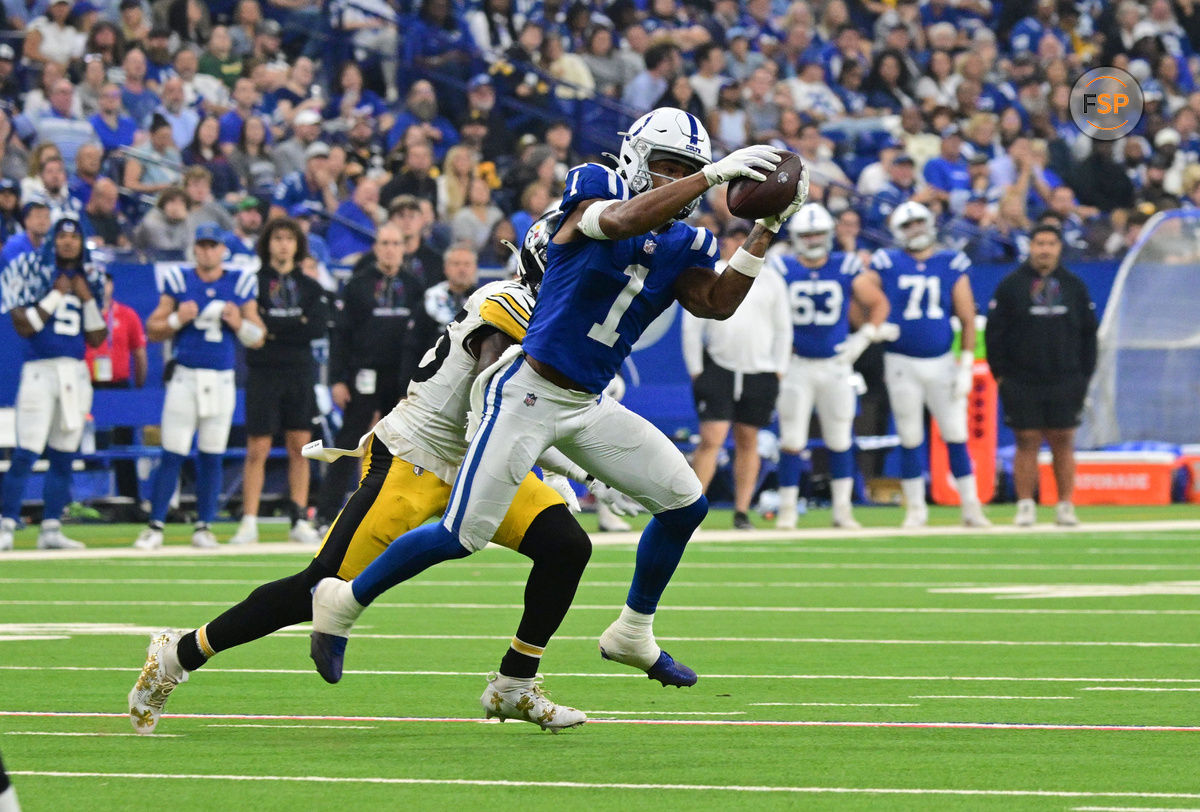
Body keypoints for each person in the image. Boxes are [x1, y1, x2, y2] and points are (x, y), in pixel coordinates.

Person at [309, 108, 807, 687]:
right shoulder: (594, 185)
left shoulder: (685, 240)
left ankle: (632, 630)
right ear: (638, 160)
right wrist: (712, 175)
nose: (678, 179)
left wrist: (764, 230)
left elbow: (716, 302)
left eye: (687, 169)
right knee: (461, 535)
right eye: (668, 167)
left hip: (588, 403)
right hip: (525, 391)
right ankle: (343, 602)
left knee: (684, 503)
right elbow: (616, 223)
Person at [129, 219, 631, 733]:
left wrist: (585, 467)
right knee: (318, 588)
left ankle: (514, 684)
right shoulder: (509, 304)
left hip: (480, 455)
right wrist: (576, 469)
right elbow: (494, 402)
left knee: (567, 546)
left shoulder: (559, 321)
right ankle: (178, 653)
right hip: (419, 455)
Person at [132, 223, 265, 551]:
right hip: (185, 377)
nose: (207, 251)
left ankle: (204, 526)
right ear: (195, 248)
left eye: (213, 246)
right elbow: (154, 328)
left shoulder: (239, 283)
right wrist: (178, 319)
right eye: (202, 245)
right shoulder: (179, 281)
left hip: (220, 380)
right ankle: (155, 526)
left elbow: (259, 336)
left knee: (212, 454)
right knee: (172, 452)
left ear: (223, 250)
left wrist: (239, 324)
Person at [862, 201, 991, 528]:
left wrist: (965, 364)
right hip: (901, 360)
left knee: (955, 433)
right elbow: (859, 291)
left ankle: (971, 507)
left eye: (920, 222)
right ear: (897, 231)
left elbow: (966, 315)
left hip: (942, 361)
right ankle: (916, 509)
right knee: (909, 435)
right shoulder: (886, 261)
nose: (915, 229)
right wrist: (872, 326)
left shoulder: (950, 261)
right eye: (908, 225)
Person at [772, 204, 893, 530]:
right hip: (796, 364)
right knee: (791, 439)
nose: (812, 240)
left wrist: (865, 336)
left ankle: (842, 510)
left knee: (840, 437)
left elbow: (879, 303)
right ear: (796, 237)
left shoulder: (846, 265)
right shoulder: (780, 268)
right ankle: (786, 510)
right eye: (806, 234)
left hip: (836, 364)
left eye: (817, 234)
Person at [0, 214, 107, 551]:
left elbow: (97, 337)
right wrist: (56, 295)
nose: (68, 242)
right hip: (39, 371)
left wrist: (86, 298)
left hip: (74, 373)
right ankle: (6, 523)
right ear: (53, 240)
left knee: (63, 455)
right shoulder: (34, 270)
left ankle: (51, 527)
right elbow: (24, 325)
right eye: (62, 236)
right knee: (26, 451)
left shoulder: (91, 276)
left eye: (74, 237)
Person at [313, 223, 426, 527]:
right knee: (350, 440)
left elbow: (422, 341)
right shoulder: (357, 285)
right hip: (363, 373)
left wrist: (414, 382)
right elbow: (341, 336)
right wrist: (336, 378)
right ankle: (325, 513)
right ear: (376, 248)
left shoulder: (416, 287)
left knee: (402, 443)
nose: (389, 249)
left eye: (395, 243)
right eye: (384, 243)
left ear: (403, 248)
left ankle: (396, 512)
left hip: (401, 376)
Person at [984, 224, 1097, 527]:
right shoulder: (1010, 286)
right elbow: (995, 334)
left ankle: (1065, 505)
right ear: (1030, 246)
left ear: (1059, 247)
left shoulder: (1074, 286)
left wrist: (1084, 375)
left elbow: (1088, 335)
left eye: (1050, 243)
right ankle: (1024, 504)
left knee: (1063, 439)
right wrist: (1001, 375)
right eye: (1039, 243)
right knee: (1027, 439)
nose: (1045, 249)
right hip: (1021, 379)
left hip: (1065, 377)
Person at [682, 224, 790, 530]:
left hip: (760, 369)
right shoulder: (713, 271)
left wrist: (778, 367)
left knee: (748, 440)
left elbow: (783, 328)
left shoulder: (771, 279)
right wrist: (696, 367)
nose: (741, 244)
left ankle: (742, 510)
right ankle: (692, 511)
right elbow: (693, 325)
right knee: (711, 439)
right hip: (719, 365)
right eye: (735, 239)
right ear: (727, 242)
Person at [229, 218, 329, 546]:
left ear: (298, 245)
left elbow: (314, 328)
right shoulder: (252, 283)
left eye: (289, 239)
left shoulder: (311, 287)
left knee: (300, 447)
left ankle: (299, 517)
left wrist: (271, 329)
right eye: (277, 238)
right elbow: (250, 327)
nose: (283, 244)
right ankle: (249, 520)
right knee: (257, 447)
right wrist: (287, 326)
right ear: (267, 244)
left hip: (299, 372)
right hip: (262, 372)